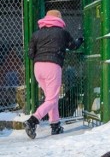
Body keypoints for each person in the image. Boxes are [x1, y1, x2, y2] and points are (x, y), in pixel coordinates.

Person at [24, 10, 83, 139]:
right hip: (53, 66)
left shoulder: (36, 34)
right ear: (59, 19)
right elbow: (73, 46)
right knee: (51, 99)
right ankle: (32, 121)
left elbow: (30, 54)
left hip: (38, 67)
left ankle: (55, 125)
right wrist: (80, 40)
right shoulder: (62, 33)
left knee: (51, 98)